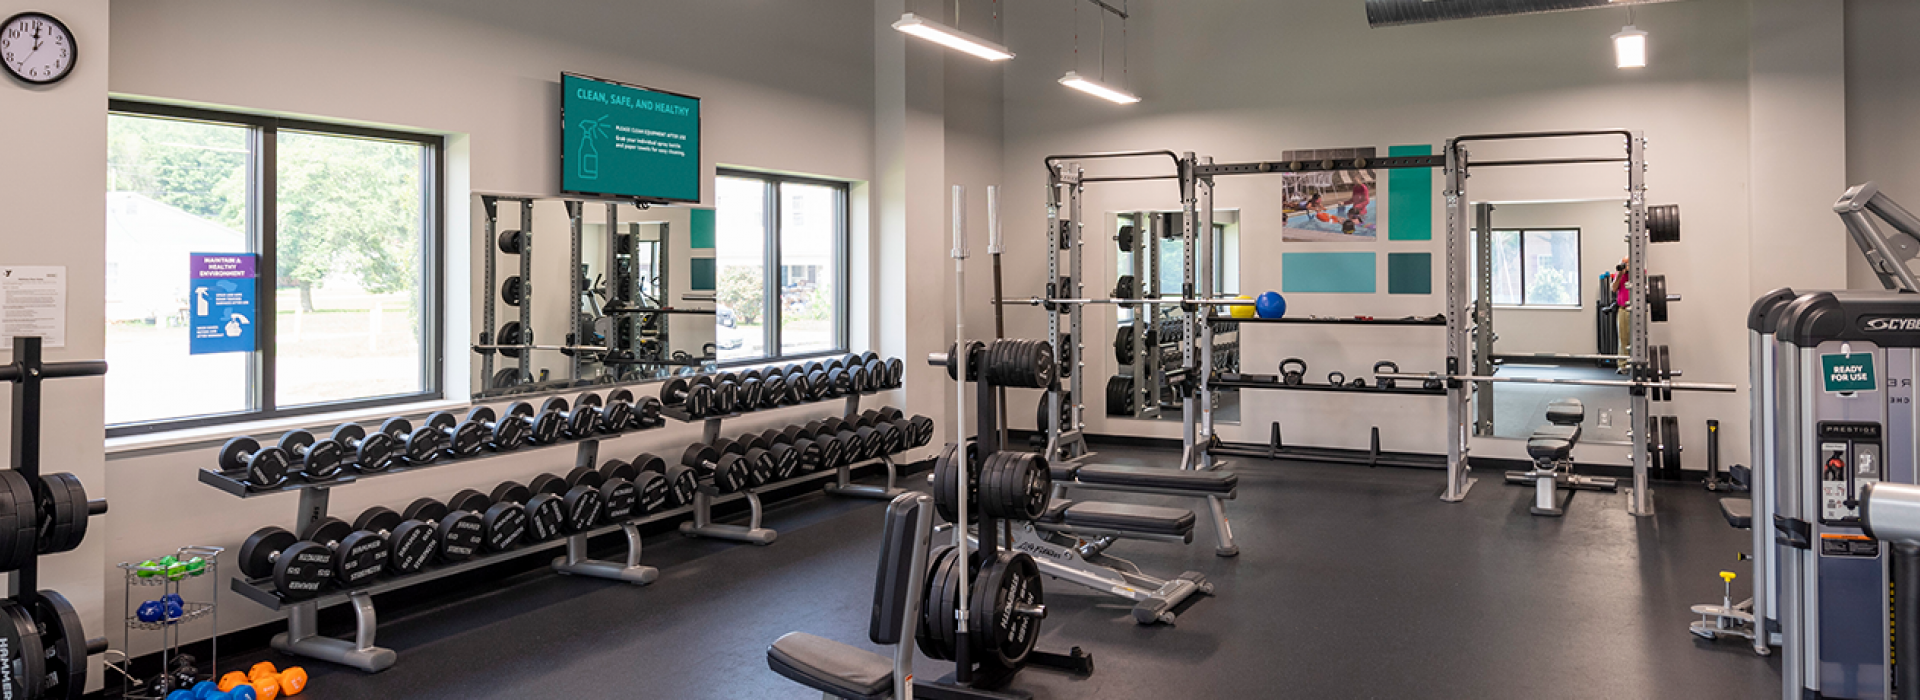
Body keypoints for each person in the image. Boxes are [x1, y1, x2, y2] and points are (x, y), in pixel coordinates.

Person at [1613, 258, 1631, 359]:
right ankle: (1623, 365)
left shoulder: (1641, 273)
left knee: (1639, 337)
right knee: (1623, 338)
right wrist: (1620, 274)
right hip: (1623, 309)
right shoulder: (1619, 274)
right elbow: (1614, 288)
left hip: (1638, 309)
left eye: (1627, 264)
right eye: (1623, 263)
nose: (1625, 266)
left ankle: (1638, 363)